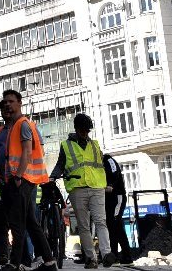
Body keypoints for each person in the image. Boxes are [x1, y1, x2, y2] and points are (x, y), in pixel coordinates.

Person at [0, 89, 56, 271]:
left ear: (19, 103)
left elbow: (27, 151)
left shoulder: (23, 124)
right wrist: (0, 177)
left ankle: (15, 262)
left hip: (23, 180)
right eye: (5, 103)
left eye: (11, 101)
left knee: (18, 224)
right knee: (30, 222)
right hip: (9, 182)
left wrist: (18, 175)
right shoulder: (3, 131)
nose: (7, 105)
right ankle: (49, 263)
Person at [52, 113, 110, 268]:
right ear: (76, 129)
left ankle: (106, 254)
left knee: (100, 221)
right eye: (83, 130)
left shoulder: (95, 144)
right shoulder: (66, 145)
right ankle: (91, 258)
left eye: (87, 130)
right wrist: (52, 177)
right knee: (83, 226)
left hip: (96, 187)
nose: (85, 133)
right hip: (77, 189)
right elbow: (60, 164)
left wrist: (108, 184)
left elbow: (101, 166)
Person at [105, 154, 132, 263]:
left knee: (116, 225)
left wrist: (111, 185)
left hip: (117, 196)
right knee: (112, 226)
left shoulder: (108, 160)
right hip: (108, 198)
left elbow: (114, 171)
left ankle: (125, 256)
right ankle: (116, 255)